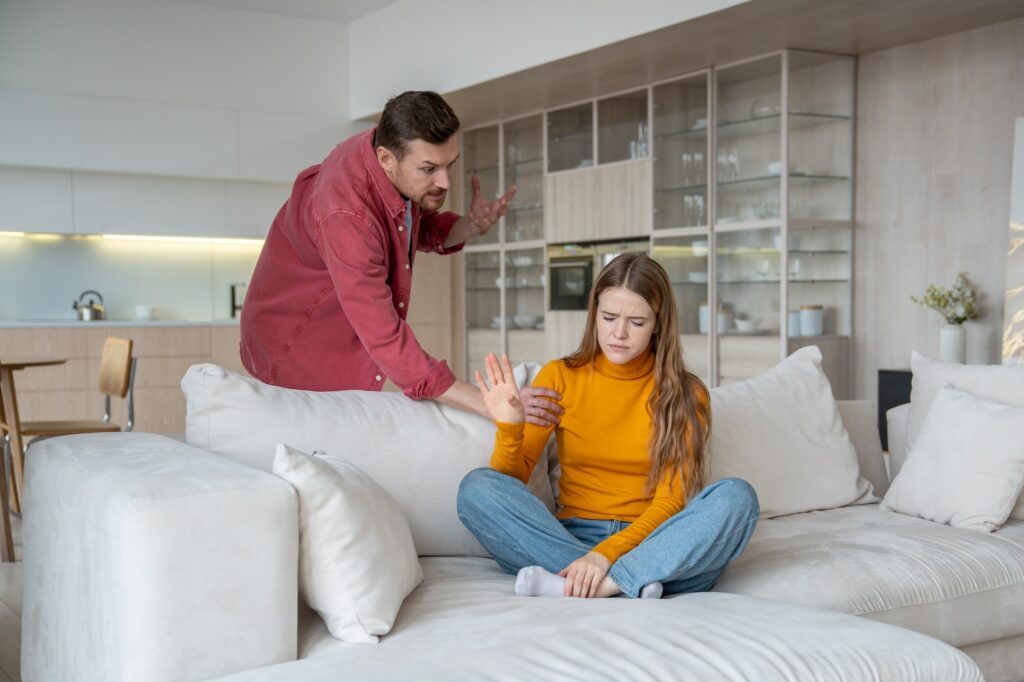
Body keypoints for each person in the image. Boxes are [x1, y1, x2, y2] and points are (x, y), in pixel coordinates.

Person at [241, 90, 561, 427]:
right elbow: (385, 336)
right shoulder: (346, 215)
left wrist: (469, 225)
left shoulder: (387, 154)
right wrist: (486, 403)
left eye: (451, 164)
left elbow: (409, 228)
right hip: (296, 342)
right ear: (386, 159)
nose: (444, 182)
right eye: (429, 169)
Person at [457, 253, 759, 599]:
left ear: (658, 324)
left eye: (637, 322)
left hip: (654, 539)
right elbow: (509, 482)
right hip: (572, 536)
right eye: (609, 317)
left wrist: (606, 555)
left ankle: (592, 583)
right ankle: (631, 583)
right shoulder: (560, 376)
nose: (619, 333)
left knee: (737, 497)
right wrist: (510, 428)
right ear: (594, 314)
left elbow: (670, 500)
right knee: (476, 488)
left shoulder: (687, 394)